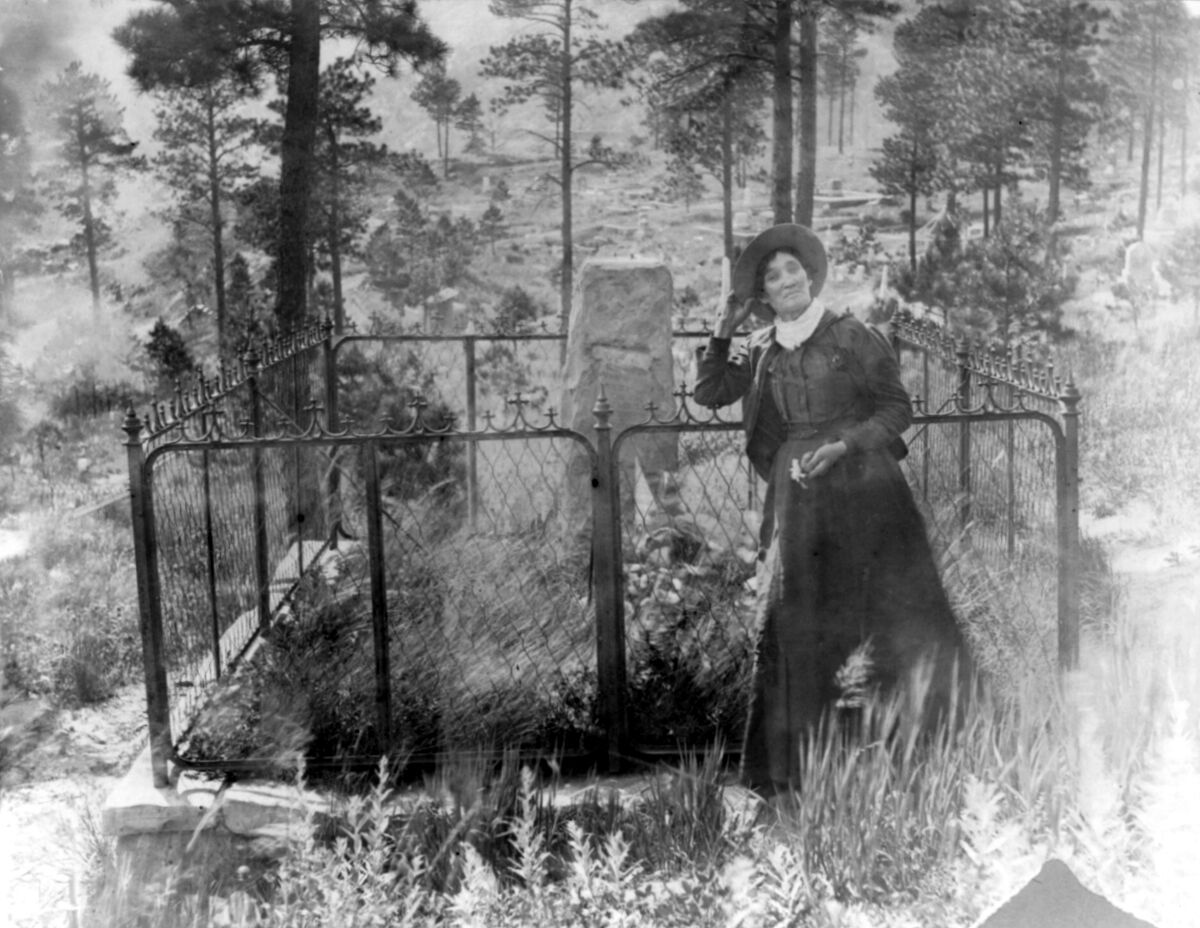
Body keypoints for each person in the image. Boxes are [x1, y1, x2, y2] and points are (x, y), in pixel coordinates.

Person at [693, 223, 972, 798]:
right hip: (799, 498)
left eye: (794, 269)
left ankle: (916, 755)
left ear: (810, 276)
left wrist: (844, 445)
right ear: (762, 295)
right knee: (799, 619)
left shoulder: (852, 334)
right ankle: (802, 767)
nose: (787, 280)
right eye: (773, 277)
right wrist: (723, 329)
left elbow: (896, 410)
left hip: (867, 490)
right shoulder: (763, 347)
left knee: (888, 615)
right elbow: (709, 393)